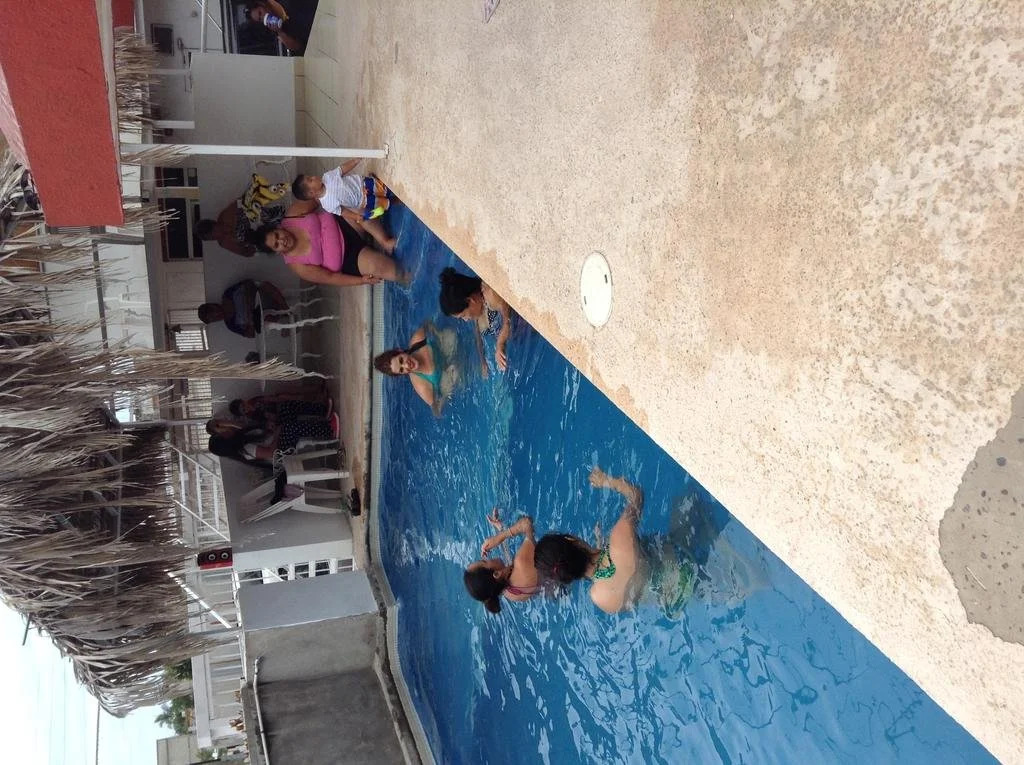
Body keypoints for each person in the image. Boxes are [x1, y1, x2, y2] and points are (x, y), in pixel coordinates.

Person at [534, 467, 652, 614]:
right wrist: (607, 481)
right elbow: (636, 495)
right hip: (676, 566)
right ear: (571, 539)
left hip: (668, 606)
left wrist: (599, 544)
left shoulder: (599, 597)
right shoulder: (619, 536)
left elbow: (614, 579)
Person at [257, 201, 404, 287]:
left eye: (277, 235)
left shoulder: (293, 214)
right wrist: (361, 280)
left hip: (345, 223)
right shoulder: (297, 266)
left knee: (354, 205)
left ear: (277, 228)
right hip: (349, 257)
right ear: (277, 252)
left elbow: (320, 197)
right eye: (276, 245)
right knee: (382, 268)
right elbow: (330, 278)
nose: (281, 241)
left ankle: (384, 241)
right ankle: (410, 276)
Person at [464, 510, 540, 615]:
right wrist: (500, 537)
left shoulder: (507, 592)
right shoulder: (521, 562)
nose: (487, 558)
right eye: (484, 561)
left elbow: (509, 567)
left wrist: (500, 528)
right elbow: (527, 523)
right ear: (496, 574)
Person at [438, 267, 511, 371]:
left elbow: (508, 321)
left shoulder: (491, 295)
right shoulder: (477, 309)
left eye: (463, 316)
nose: (465, 319)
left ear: (470, 300)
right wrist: (483, 361)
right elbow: (478, 335)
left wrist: (500, 344)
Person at [373, 322, 448, 415]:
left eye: (401, 360)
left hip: (443, 350)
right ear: (401, 374)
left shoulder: (418, 341)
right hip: (447, 374)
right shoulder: (421, 385)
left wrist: (438, 333)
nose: (406, 365)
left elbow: (427, 324)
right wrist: (446, 395)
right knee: (448, 379)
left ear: (400, 351)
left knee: (450, 337)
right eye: (401, 370)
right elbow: (436, 411)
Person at [292, 161, 397, 225]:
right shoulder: (327, 205)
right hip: (362, 201)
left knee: (385, 189)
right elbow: (342, 211)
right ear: (312, 193)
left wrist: (355, 161)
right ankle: (393, 202)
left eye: (310, 176)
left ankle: (385, 190)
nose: (314, 177)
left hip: (363, 184)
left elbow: (342, 169)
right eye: (310, 180)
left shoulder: (327, 177)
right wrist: (356, 217)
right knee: (384, 204)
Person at [197, 280, 289, 338]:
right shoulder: (231, 324)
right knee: (266, 323)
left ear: (214, 305)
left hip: (264, 297)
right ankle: (286, 318)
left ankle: (286, 309)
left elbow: (249, 283)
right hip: (264, 316)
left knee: (264, 285)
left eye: (213, 312)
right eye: (214, 319)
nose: (217, 315)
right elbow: (251, 335)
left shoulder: (228, 295)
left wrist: (249, 303)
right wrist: (251, 322)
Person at [244, 0, 317, 55]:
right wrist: (279, 31)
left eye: (260, 13)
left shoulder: (282, 4)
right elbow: (297, 47)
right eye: (260, 19)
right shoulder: (278, 28)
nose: (263, 17)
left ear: (262, 4)